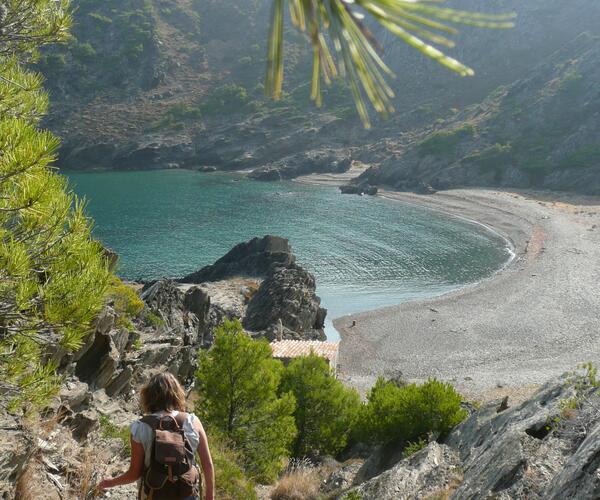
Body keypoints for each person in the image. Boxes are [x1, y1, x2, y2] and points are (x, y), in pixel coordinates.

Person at [97, 372, 215, 500]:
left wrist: (111, 482)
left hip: (154, 493)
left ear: (148, 396)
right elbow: (207, 464)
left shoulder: (140, 428)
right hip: (186, 492)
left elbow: (134, 473)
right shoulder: (193, 422)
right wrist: (210, 497)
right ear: (177, 394)